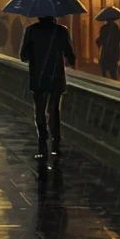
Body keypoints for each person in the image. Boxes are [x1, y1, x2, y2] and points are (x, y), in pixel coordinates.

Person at [19, 15, 76, 157]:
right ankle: (55, 137)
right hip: (56, 76)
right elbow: (70, 55)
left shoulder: (31, 31)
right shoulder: (61, 31)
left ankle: (42, 135)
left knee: (39, 108)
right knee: (54, 108)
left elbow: (23, 56)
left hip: (38, 75)